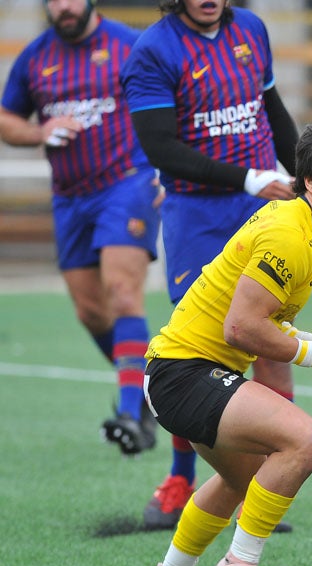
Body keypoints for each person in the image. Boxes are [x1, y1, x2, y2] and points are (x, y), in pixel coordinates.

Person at [132, 119, 312, 566]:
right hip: (183, 374)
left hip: (183, 372)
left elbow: (263, 321)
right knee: (305, 439)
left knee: (241, 477)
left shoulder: (303, 228)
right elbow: (241, 328)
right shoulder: (290, 235)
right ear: (310, 180)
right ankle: (238, 564)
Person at [120, 0, 300, 530]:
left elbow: (273, 111)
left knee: (270, 340)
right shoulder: (153, 50)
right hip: (197, 217)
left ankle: (262, 486)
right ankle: (181, 479)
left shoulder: (251, 29)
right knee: (197, 353)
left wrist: (307, 179)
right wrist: (248, 178)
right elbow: (162, 149)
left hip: (263, 211)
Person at [0, 0, 160, 454]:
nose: (64, 6)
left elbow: (174, 102)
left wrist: (170, 167)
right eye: (54, 0)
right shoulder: (34, 57)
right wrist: (39, 131)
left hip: (128, 183)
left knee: (122, 292)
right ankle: (151, 390)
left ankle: (129, 413)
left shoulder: (129, 45)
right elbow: (6, 119)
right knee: (90, 311)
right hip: (69, 197)